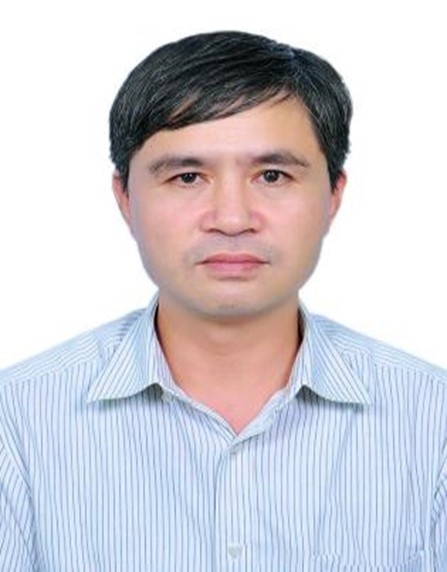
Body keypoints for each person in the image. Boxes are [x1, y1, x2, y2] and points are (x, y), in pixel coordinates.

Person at [0, 30, 446, 572]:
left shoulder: (433, 423)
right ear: (125, 199)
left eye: (272, 175)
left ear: (333, 195)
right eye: (188, 177)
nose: (232, 219)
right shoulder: (17, 422)